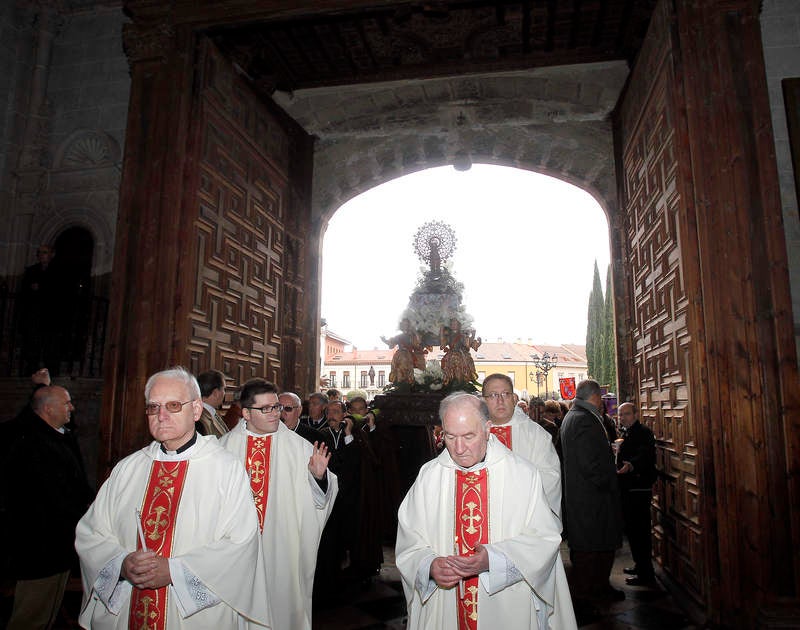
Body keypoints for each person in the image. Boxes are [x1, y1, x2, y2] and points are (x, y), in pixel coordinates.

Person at [75, 367, 270, 629]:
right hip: (128, 608)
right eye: (153, 407)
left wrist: (175, 571)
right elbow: (91, 534)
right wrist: (121, 564)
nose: (161, 415)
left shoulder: (225, 469)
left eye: (173, 405)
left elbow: (241, 543)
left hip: (193, 617)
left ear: (197, 410)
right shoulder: (128, 469)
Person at [395, 392, 576, 629]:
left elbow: (544, 540)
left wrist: (493, 560)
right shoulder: (429, 476)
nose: (459, 448)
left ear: (488, 428)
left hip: (506, 607)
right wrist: (428, 566)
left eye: (469, 436)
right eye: (450, 436)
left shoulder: (522, 475)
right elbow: (409, 540)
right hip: (446, 604)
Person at [220, 380, 337, 630]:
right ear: (246, 413)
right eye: (266, 409)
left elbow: (322, 497)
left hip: (281, 550)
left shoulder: (298, 447)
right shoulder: (223, 449)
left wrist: (318, 477)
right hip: (235, 553)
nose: (276, 414)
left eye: (277, 407)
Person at [1, 385, 93, 630]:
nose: (72, 407)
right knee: (31, 614)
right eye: (67, 403)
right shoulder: (31, 442)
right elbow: (47, 495)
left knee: (47, 611)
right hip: (40, 545)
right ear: (49, 408)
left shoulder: (56, 434)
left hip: (58, 542)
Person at [559, 379, 624, 616]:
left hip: (584, 497)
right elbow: (590, 464)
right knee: (591, 551)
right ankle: (585, 599)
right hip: (592, 499)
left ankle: (599, 588)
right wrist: (609, 482)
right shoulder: (584, 420)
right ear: (595, 397)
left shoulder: (574, 416)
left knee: (595, 547)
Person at [481, 373, 562, 517]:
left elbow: (550, 478)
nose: (500, 400)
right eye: (493, 395)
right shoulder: (471, 433)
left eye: (505, 394)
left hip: (524, 515)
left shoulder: (536, 434)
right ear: (483, 401)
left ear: (513, 399)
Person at [616, 402, 657, 586]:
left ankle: (646, 573)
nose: (622, 417)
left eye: (626, 414)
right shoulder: (626, 432)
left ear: (635, 414)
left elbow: (645, 455)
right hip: (628, 489)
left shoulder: (643, 433)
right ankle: (639, 565)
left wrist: (631, 465)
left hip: (639, 488)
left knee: (640, 532)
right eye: (620, 414)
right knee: (632, 531)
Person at [195, 369, 229, 437]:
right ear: (216, 393)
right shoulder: (199, 420)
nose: (225, 393)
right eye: (224, 389)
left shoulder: (211, 413)